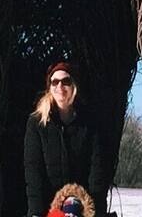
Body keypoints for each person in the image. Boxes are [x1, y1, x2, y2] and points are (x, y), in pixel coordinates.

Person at [24, 62, 112, 216]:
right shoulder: (37, 123)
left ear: (73, 86)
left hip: (80, 205)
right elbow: (33, 171)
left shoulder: (90, 123)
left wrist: (96, 211)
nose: (60, 86)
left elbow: (96, 171)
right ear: (49, 88)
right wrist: (36, 212)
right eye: (55, 82)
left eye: (65, 81)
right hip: (47, 205)